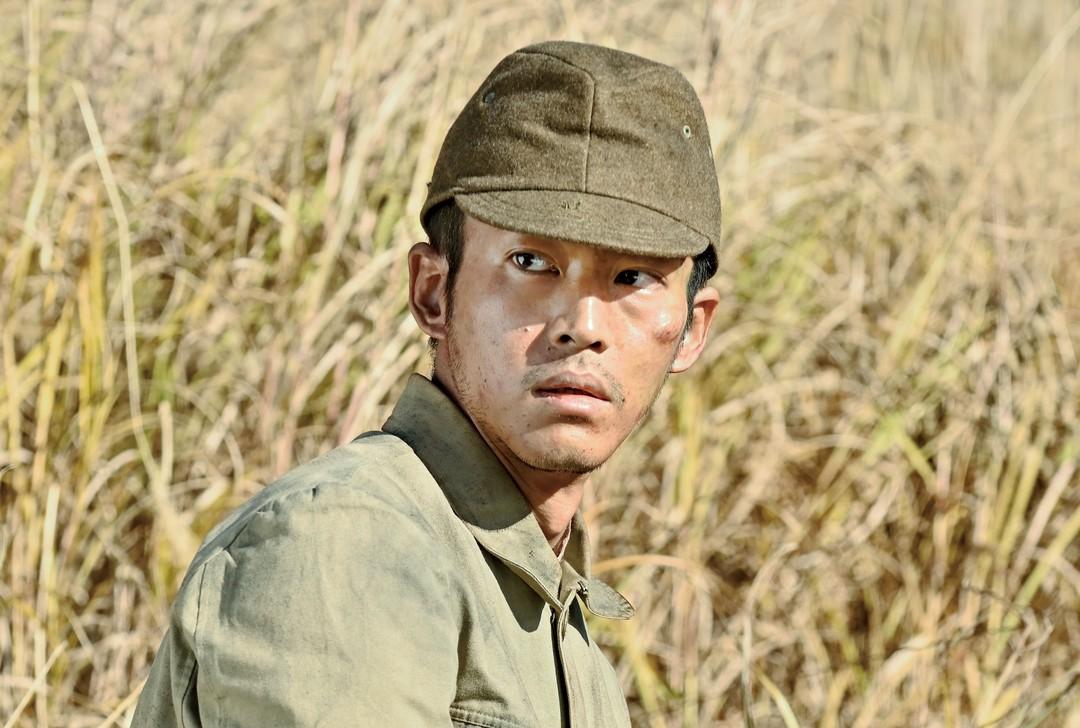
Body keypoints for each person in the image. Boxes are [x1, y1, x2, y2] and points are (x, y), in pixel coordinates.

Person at [131, 40, 722, 727]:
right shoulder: (349, 543)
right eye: (532, 262)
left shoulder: (555, 618)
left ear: (691, 328)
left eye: (632, 277)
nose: (582, 325)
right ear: (433, 293)